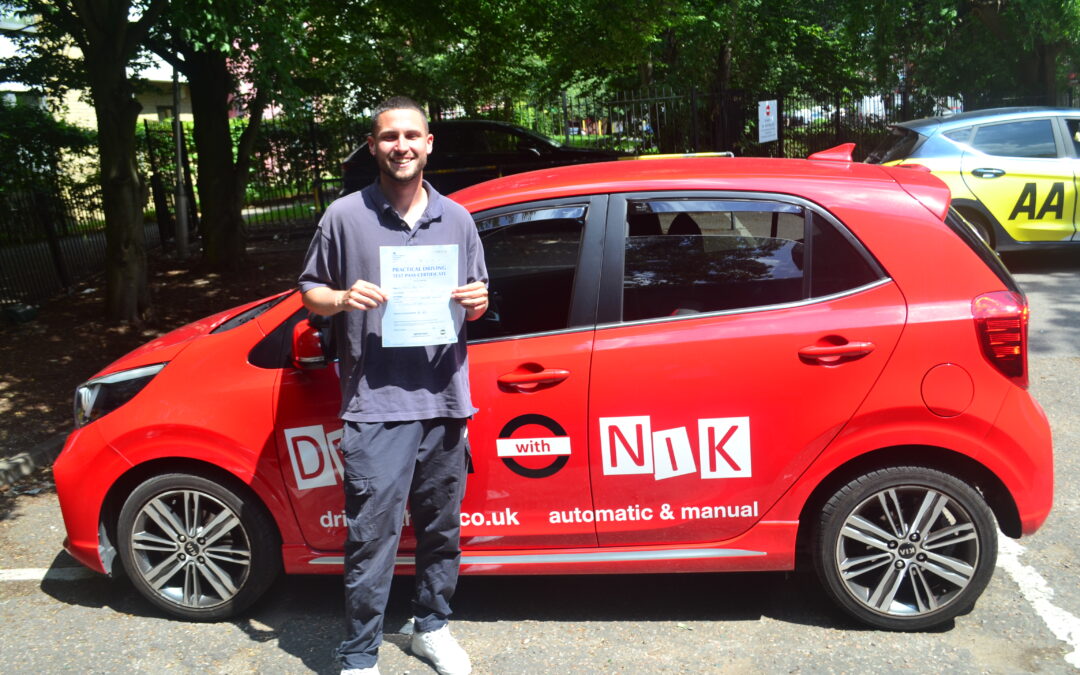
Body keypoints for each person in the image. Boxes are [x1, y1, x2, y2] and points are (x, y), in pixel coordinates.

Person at [298, 95, 488, 675]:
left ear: (429, 144)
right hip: (374, 404)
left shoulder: (456, 219)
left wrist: (479, 303)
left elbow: (477, 297)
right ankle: (359, 655)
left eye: (411, 135)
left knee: (440, 528)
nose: (400, 145)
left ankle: (432, 628)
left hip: (444, 399)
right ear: (373, 146)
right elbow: (310, 292)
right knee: (371, 539)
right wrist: (340, 298)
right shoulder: (344, 216)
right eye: (388, 137)